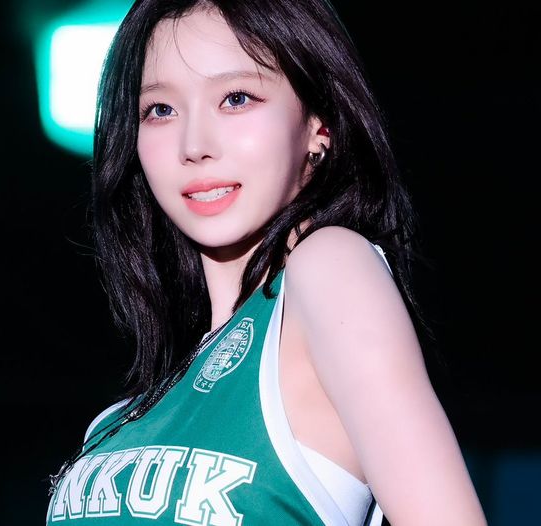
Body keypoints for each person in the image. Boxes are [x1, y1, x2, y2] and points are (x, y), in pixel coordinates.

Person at [46, 1, 487, 524]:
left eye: (236, 99)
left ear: (320, 125)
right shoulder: (114, 425)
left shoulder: (328, 267)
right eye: (160, 110)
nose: (194, 146)